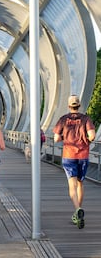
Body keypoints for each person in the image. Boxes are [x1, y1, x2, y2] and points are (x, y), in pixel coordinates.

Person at [53, 95, 95, 229]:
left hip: (69, 154)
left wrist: (64, 137)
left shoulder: (63, 119)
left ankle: (77, 210)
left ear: (69, 106)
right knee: (80, 184)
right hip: (83, 154)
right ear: (79, 105)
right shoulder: (86, 119)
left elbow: (56, 138)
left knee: (72, 185)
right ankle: (79, 210)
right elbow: (92, 136)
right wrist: (86, 140)